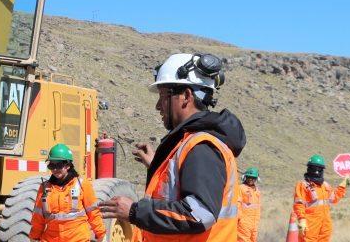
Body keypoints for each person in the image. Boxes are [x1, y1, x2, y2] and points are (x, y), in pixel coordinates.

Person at [99, 53, 247, 241]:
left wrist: (135, 211)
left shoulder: (201, 148)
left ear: (186, 95)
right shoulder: (190, 144)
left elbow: (199, 214)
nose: (158, 106)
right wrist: (156, 166)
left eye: (163, 96)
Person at [28, 144, 106, 242]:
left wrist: (101, 234)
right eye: (52, 166)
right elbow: (38, 217)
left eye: (59, 165)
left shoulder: (82, 184)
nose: (55, 169)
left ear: (68, 165)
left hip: (78, 239)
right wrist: (34, 237)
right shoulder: (44, 187)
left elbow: (93, 212)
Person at [292, 155, 350, 242]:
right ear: (309, 169)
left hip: (325, 223)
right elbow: (299, 204)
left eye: (319, 169)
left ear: (322, 170)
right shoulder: (303, 185)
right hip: (310, 224)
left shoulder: (325, 185)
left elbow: (334, 198)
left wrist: (343, 185)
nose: (316, 171)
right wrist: (301, 219)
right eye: (314, 168)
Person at [237, 167, 262, 242]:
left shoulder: (257, 191)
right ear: (245, 177)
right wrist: (240, 219)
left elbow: (257, 207)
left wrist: (257, 220)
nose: (251, 179)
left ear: (257, 179)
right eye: (249, 177)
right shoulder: (241, 188)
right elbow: (237, 204)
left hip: (254, 223)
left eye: (253, 177)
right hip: (244, 223)